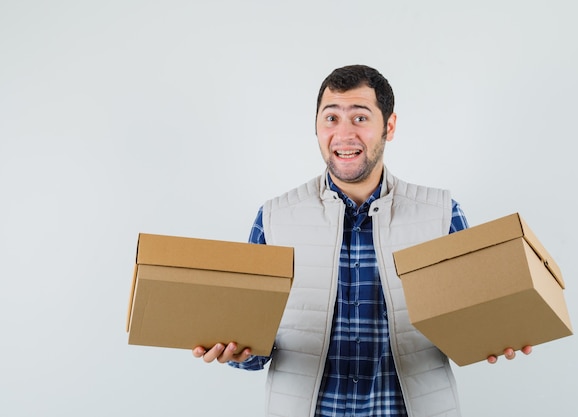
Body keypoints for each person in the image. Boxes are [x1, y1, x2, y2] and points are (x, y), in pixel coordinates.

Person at [192, 64, 532, 416]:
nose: (343, 134)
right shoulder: (274, 219)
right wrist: (236, 352)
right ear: (316, 127)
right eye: (331, 118)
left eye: (359, 118)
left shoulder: (442, 214)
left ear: (389, 126)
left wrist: (496, 334)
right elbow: (253, 346)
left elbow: (470, 322)